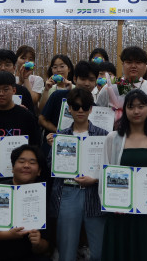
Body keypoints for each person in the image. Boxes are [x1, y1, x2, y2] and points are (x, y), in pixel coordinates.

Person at [101, 89, 147, 261]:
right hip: (120, 214)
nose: (136, 111)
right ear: (124, 110)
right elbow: (104, 175)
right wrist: (110, 203)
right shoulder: (112, 138)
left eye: (141, 106)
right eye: (131, 107)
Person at [46, 88, 108, 261]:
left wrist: (95, 179)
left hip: (95, 193)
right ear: (69, 108)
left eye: (85, 106)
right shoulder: (61, 136)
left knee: (99, 252)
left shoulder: (104, 135)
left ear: (91, 109)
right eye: (76, 106)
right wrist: (55, 151)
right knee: (66, 250)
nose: (80, 110)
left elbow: (110, 168)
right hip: (68, 190)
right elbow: (50, 165)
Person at [96, 46, 147, 120]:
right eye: (129, 62)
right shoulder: (109, 88)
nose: (133, 66)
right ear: (123, 64)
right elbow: (98, 116)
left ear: (145, 66)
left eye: (138, 62)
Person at [40, 61, 99, 137]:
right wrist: (60, 133)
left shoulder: (94, 107)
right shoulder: (58, 96)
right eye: (83, 79)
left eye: (91, 80)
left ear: (96, 81)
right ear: (75, 79)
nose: (87, 83)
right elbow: (42, 119)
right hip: (54, 141)